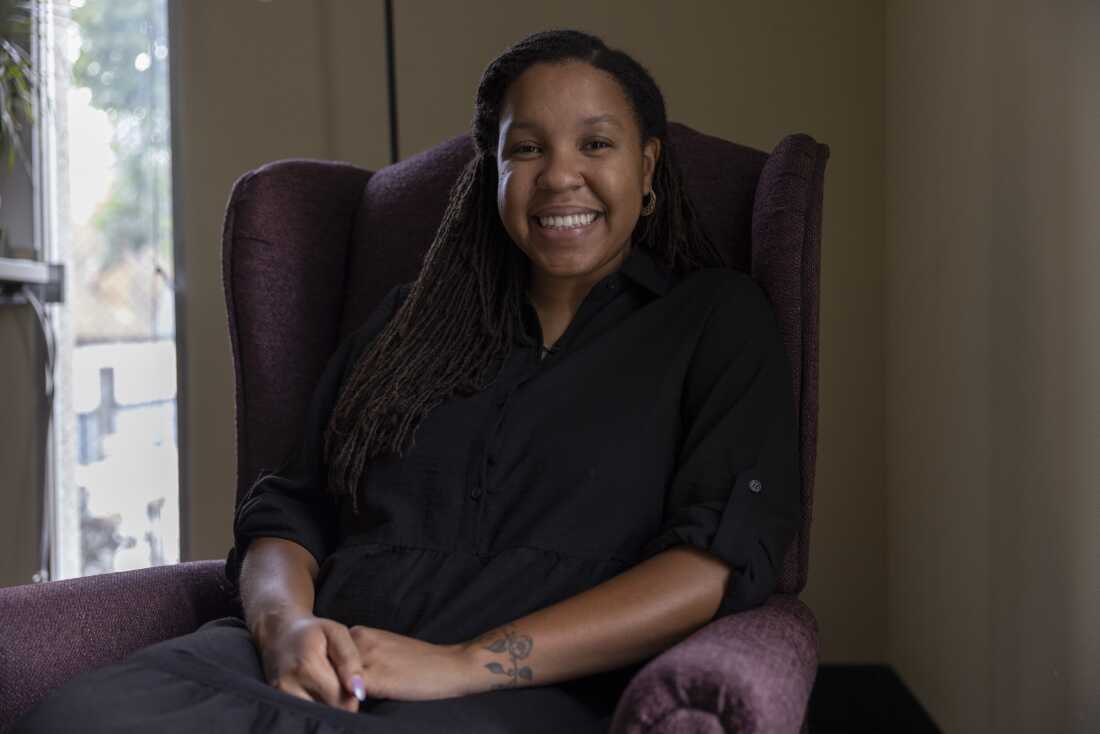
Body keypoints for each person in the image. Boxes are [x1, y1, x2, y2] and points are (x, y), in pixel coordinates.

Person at [13, 29, 800, 734]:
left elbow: (712, 565)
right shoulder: (408, 329)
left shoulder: (714, 321)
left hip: (517, 697)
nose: (561, 176)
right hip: (302, 666)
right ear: (491, 170)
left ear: (648, 163)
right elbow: (289, 513)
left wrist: (465, 664)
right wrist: (284, 626)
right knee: (73, 717)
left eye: (596, 145)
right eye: (526, 149)